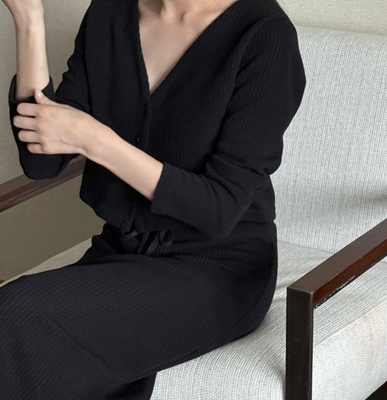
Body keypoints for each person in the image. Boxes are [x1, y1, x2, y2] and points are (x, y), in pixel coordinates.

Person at [0, 0, 306, 397]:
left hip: (220, 270)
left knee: (16, 312)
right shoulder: (111, 13)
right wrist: (28, 18)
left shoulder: (265, 35)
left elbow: (219, 208)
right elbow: (42, 162)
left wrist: (96, 140)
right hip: (121, 252)